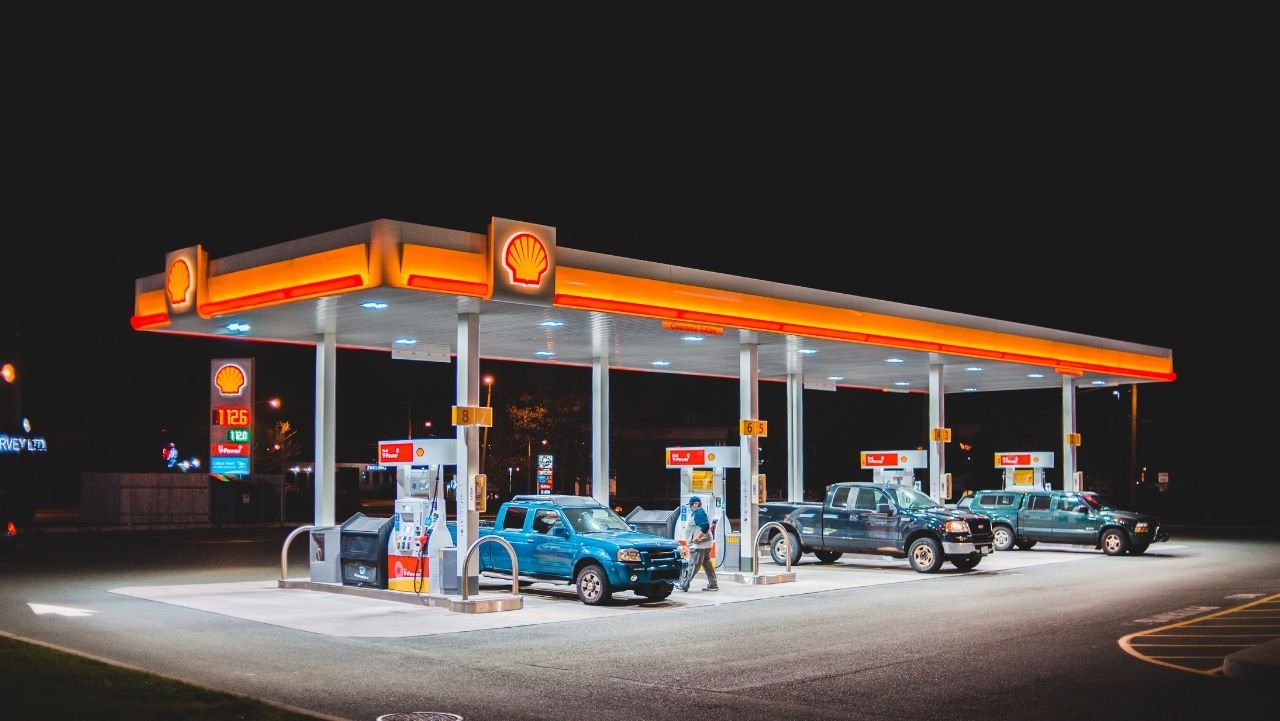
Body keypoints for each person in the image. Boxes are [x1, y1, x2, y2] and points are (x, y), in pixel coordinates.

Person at [678, 496, 718, 592]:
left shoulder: (699, 513)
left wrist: (697, 538)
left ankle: (684, 585)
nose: (690, 507)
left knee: (692, 565)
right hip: (705, 544)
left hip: (699, 545)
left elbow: (705, 526)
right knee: (707, 564)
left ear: (696, 504)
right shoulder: (699, 512)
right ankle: (713, 584)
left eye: (691, 505)